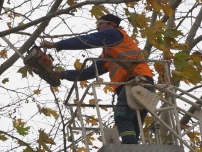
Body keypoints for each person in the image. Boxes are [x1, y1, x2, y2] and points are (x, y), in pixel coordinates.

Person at [40, 14, 154, 144]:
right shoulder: (110, 52)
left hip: (138, 82)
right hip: (137, 85)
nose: (97, 28)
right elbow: (89, 72)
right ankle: (132, 146)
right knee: (133, 124)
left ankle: (130, 148)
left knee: (121, 116)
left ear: (111, 25)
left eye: (100, 24)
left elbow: (87, 40)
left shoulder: (114, 33)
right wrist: (63, 74)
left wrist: (56, 44)